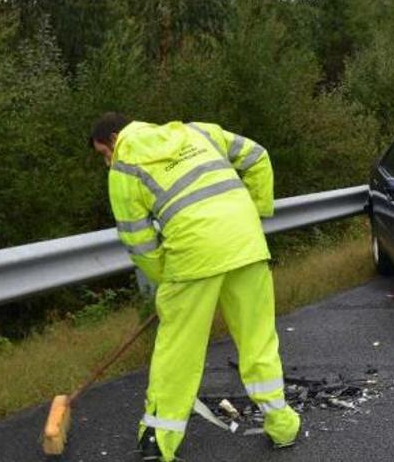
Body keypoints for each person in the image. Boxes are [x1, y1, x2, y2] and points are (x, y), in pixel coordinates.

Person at [89, 113, 300, 461]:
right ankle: (283, 426)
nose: (106, 161)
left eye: (103, 153)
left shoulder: (124, 167)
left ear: (115, 138)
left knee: (178, 352)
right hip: (246, 244)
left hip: (192, 256)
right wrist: (255, 212)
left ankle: (159, 441)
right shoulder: (198, 132)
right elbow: (257, 156)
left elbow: (137, 240)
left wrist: (165, 277)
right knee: (258, 340)